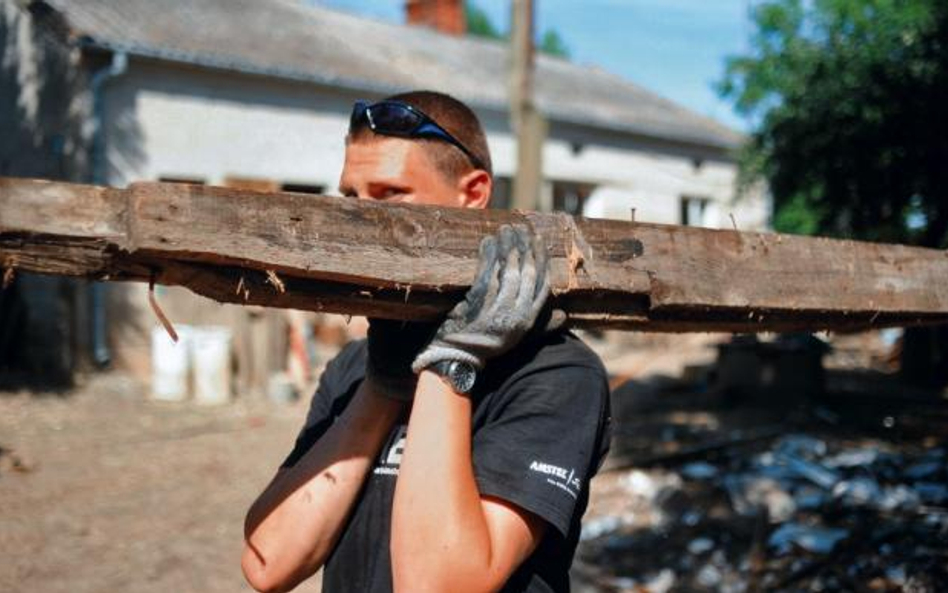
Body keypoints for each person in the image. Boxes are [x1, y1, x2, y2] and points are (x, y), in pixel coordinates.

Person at [241, 90, 611, 593]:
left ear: (473, 194)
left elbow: (437, 584)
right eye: (351, 198)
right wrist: (381, 388)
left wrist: (451, 361)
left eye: (390, 194)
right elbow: (268, 563)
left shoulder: (556, 372)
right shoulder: (354, 368)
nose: (359, 223)